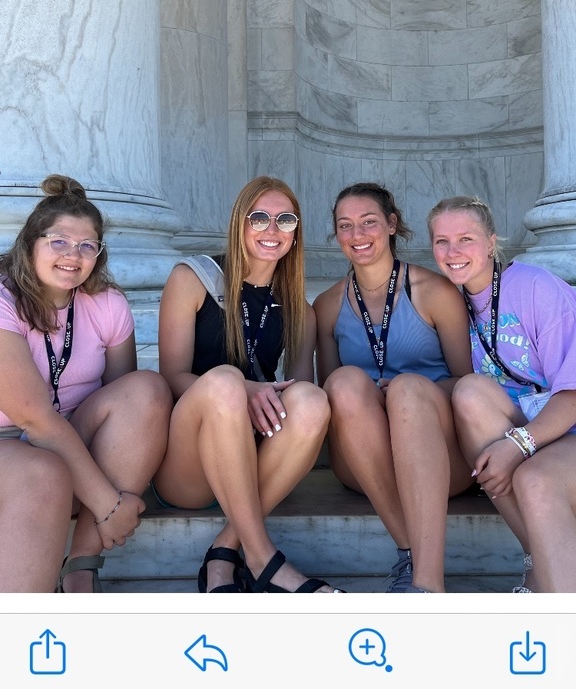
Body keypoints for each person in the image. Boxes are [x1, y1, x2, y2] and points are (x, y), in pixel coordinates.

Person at [151, 175, 341, 593]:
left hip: (257, 467)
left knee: (312, 400)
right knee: (224, 382)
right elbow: (170, 378)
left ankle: (225, 550)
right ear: (240, 223)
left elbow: (299, 399)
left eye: (285, 220)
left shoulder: (299, 310)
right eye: (259, 218)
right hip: (190, 466)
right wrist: (246, 390)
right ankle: (263, 559)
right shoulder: (194, 278)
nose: (272, 230)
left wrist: (267, 398)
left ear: (296, 234)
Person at [0, 175, 172, 592]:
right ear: (30, 244)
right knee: (45, 471)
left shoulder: (108, 304)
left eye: (87, 246)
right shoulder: (4, 301)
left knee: (147, 389)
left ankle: (81, 563)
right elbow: (34, 419)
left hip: (74, 438)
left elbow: (124, 402)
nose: (72, 256)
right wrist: (109, 505)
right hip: (9, 445)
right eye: (59, 241)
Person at [313, 182, 473, 593]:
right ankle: (410, 550)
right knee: (345, 383)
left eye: (368, 222)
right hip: (364, 463)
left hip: (437, 453)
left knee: (407, 390)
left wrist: (406, 390)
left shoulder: (435, 292)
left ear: (391, 225)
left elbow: (467, 382)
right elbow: (325, 393)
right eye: (345, 226)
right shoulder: (328, 304)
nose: (357, 235)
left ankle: (426, 584)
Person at [428, 195, 576, 593]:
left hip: (568, 425)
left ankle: (557, 605)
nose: (453, 252)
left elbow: (572, 392)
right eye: (441, 241)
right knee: (471, 392)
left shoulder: (535, 287)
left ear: (492, 242)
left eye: (466, 239)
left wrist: (518, 444)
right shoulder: (447, 302)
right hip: (521, 424)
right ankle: (539, 557)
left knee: (535, 478)